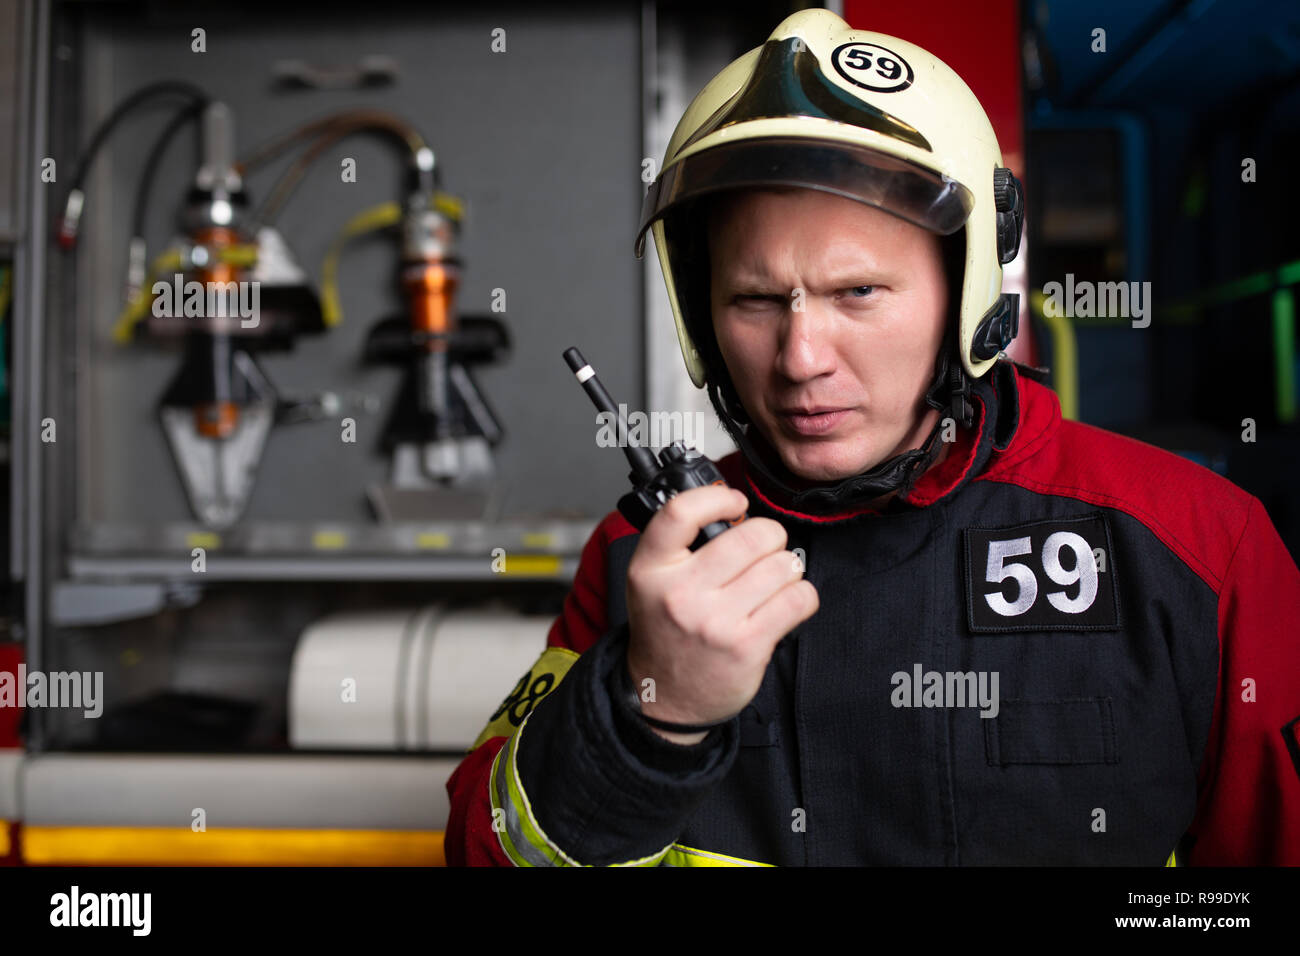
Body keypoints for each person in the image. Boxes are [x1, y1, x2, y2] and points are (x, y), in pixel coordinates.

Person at [445, 8, 1300, 866]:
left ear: (965, 290)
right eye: (753, 300)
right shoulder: (643, 559)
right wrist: (648, 717)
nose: (801, 358)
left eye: (857, 292)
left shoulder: (1197, 547)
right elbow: (487, 853)